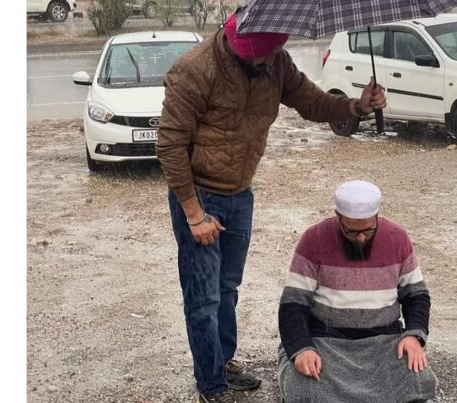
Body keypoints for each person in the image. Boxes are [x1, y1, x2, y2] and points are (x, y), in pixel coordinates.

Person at [155, 9, 388, 403]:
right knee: (203, 298)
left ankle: (223, 363)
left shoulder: (276, 62)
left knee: (227, 289)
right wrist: (194, 214)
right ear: (238, 44)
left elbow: (312, 103)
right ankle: (211, 386)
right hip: (201, 197)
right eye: (258, 56)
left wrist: (357, 106)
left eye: (271, 54)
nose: (266, 62)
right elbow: (170, 145)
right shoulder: (194, 70)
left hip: (240, 194)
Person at [277, 181, 437, 403]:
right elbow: (293, 303)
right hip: (326, 341)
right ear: (338, 217)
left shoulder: (397, 238)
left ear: (377, 217)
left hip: (384, 342)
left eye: (368, 230)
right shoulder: (314, 239)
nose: (361, 238)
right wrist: (302, 348)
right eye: (352, 231)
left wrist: (414, 336)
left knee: (417, 380)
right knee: (302, 386)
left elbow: (416, 295)